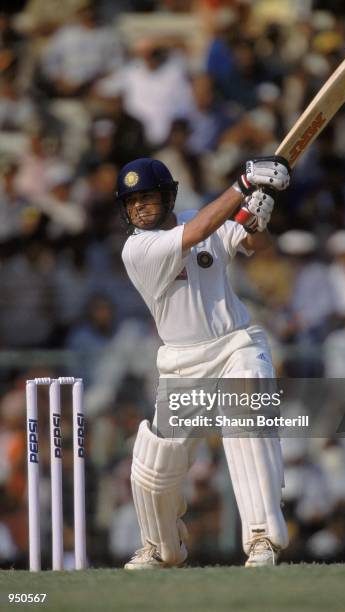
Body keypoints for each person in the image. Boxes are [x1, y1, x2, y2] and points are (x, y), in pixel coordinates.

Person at [116, 155, 291, 569]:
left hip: (236, 345)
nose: (139, 207)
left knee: (247, 413)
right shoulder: (137, 248)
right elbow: (198, 232)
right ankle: (162, 549)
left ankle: (263, 540)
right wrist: (243, 184)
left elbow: (249, 244)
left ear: (168, 195)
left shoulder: (204, 217)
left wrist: (256, 221)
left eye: (147, 197)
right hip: (182, 363)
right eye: (132, 201)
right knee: (156, 464)